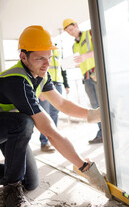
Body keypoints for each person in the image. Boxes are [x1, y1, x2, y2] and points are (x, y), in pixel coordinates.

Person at [0, 25, 109, 207]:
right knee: (24, 123)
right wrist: (84, 167)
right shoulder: (16, 80)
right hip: (9, 126)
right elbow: (49, 131)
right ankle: (10, 192)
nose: (46, 63)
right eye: (40, 58)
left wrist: (94, 115)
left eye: (49, 57)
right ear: (23, 57)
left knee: (30, 182)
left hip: (7, 127)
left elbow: (62, 104)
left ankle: (14, 180)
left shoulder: (41, 75)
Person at [63, 18, 102, 144]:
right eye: (68, 32)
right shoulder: (74, 46)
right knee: (95, 107)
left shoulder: (90, 34)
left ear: (76, 25)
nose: (70, 33)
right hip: (86, 78)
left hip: (97, 73)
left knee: (103, 103)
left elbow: (99, 48)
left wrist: (85, 56)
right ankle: (102, 133)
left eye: (71, 29)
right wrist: (72, 63)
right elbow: (80, 62)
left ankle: (109, 131)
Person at [39, 47, 70, 152]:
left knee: (55, 113)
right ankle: (44, 142)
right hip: (45, 85)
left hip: (58, 83)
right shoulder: (41, 50)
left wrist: (66, 84)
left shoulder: (57, 50)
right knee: (44, 115)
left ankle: (54, 139)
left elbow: (63, 68)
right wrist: (39, 89)